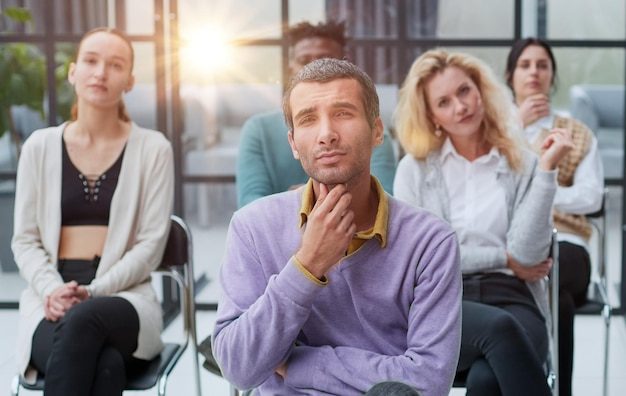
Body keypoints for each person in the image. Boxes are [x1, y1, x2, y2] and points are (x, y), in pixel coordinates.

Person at [212, 58, 462, 396]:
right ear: (293, 144)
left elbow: (429, 383)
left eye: (343, 113)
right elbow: (239, 369)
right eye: (308, 119)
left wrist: (301, 365)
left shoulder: (431, 241)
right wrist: (307, 266)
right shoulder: (252, 227)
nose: (327, 134)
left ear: (377, 131)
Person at [393, 49, 574, 396]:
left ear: (480, 90)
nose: (460, 107)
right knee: (501, 331)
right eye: (443, 102)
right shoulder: (414, 170)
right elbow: (420, 261)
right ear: (431, 115)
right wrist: (503, 259)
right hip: (442, 302)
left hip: (513, 297)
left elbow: (528, 253)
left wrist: (547, 170)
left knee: (486, 379)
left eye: (464, 91)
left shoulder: (523, 161)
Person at [12, 27, 174, 395]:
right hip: (48, 300)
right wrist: (53, 289)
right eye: (90, 61)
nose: (101, 72)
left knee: (87, 320)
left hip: (126, 297)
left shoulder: (154, 149)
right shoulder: (39, 147)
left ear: (130, 81)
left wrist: (94, 290)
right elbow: (24, 240)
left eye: (115, 65)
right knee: (106, 366)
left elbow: (150, 246)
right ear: (73, 72)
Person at [505, 37, 605, 396]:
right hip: (512, 242)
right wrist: (515, 126)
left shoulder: (577, 133)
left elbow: (592, 196)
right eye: (525, 65)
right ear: (510, 75)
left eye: (542, 65)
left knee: (554, 271)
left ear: (553, 75)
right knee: (554, 294)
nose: (534, 72)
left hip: (566, 242)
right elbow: (487, 187)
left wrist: (542, 194)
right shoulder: (498, 131)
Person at [235, 20, 397, 208]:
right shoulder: (258, 130)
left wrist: (300, 201)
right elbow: (250, 206)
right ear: (289, 71)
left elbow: (382, 201)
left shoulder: (372, 133)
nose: (315, 68)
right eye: (304, 61)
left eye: (325, 60)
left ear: (345, 65)